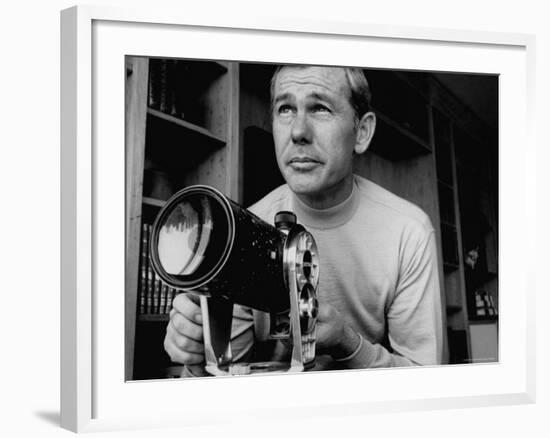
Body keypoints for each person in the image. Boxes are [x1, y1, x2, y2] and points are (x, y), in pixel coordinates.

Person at [163, 65, 443, 374]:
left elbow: (424, 379)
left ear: (361, 132)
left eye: (320, 108)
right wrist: (197, 360)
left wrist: (348, 344)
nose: (297, 132)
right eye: (285, 109)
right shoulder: (243, 230)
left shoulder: (408, 233)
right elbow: (227, 384)